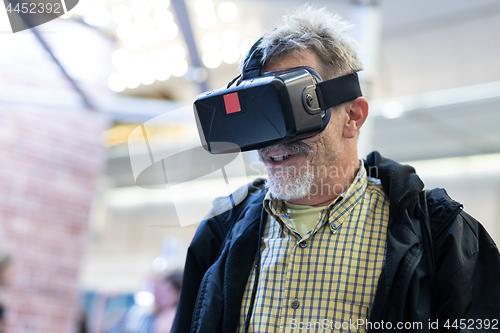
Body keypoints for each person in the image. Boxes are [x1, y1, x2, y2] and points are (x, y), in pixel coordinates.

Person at [172, 6, 500, 333]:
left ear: (353, 117)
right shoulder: (220, 232)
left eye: (295, 111)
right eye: (261, 119)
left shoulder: (443, 237)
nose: (273, 143)